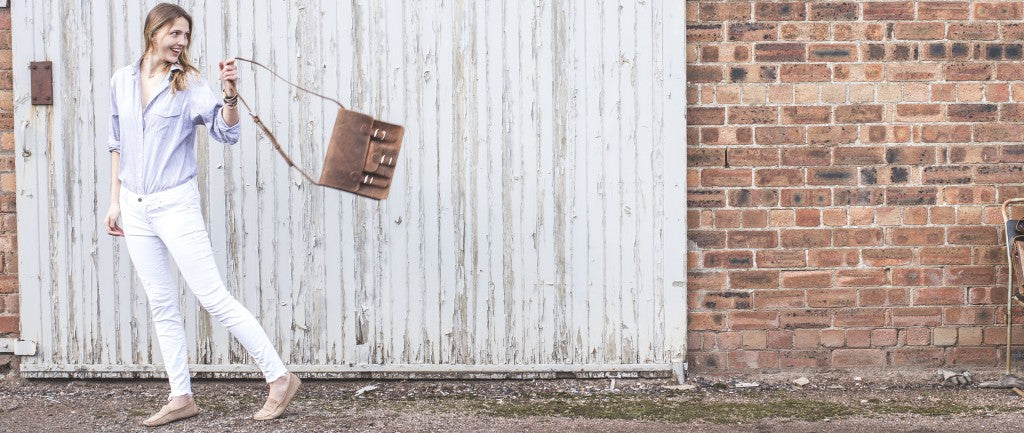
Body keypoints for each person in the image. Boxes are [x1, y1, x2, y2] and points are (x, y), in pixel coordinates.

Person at [104, 3, 300, 427]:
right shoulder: (122, 79)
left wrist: (229, 94)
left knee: (212, 297)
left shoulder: (189, 83)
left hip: (176, 203)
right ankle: (181, 396)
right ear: (153, 31)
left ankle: (279, 377)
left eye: (186, 36)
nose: (181, 42)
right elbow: (116, 142)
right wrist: (114, 200)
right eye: (175, 33)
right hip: (136, 208)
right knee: (161, 303)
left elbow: (225, 130)